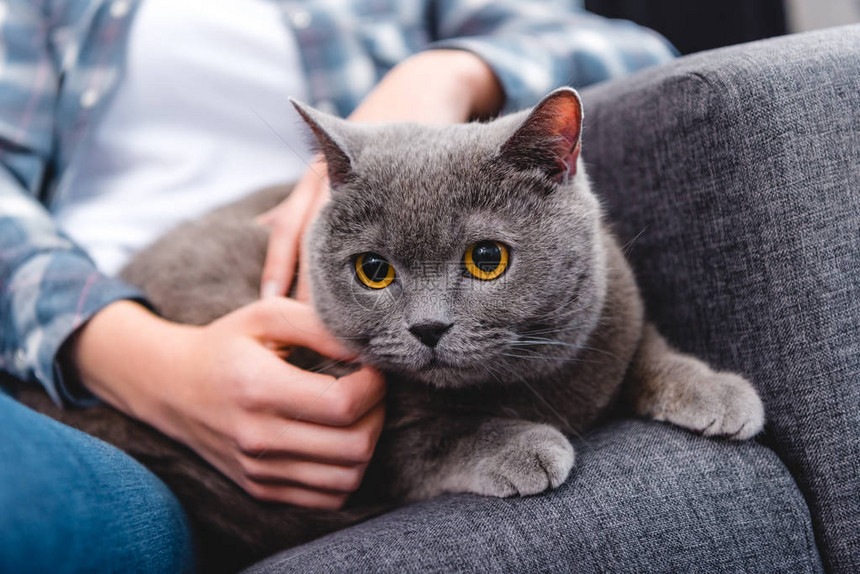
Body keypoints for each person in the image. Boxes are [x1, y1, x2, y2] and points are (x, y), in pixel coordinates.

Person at [0, 0, 676, 570]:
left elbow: (638, 57)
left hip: (389, 219)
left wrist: (447, 72)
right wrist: (126, 353)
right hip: (89, 363)